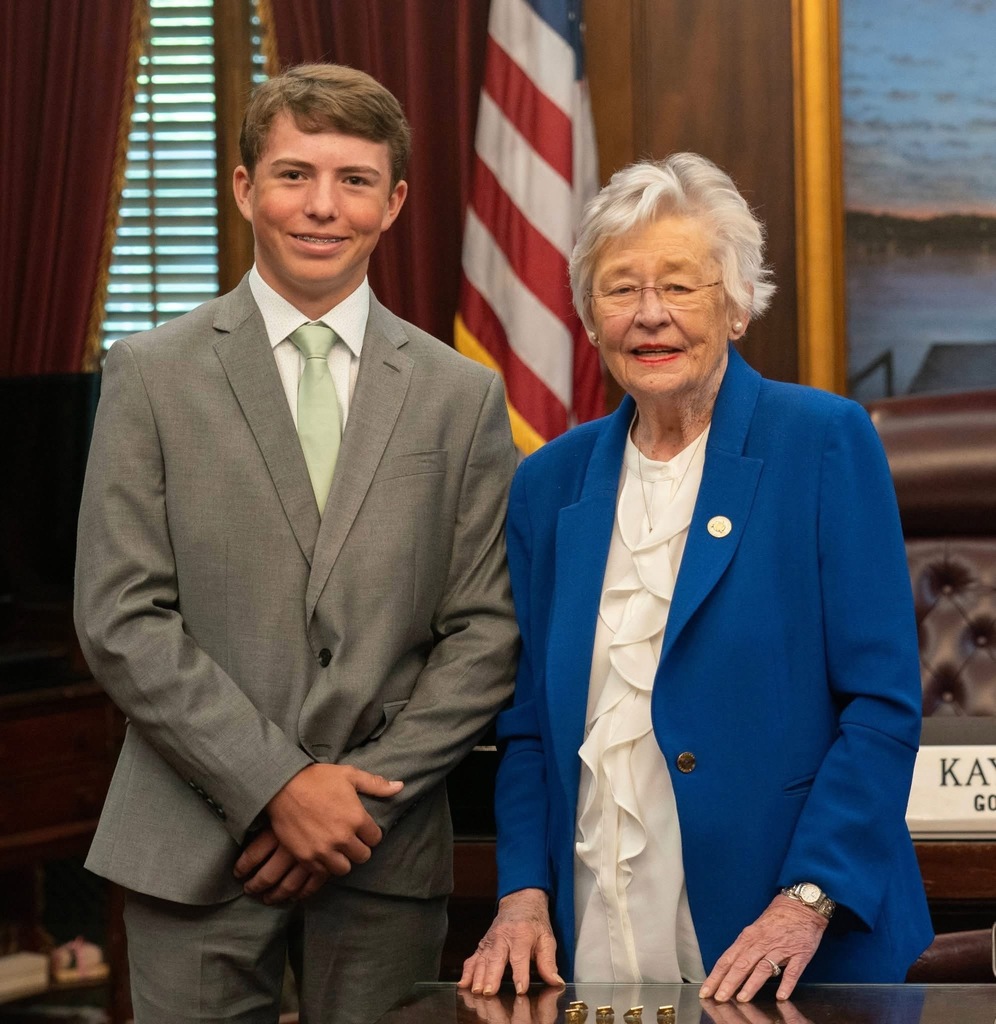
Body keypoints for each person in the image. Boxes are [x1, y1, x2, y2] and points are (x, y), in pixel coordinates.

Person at [74, 63, 519, 1024]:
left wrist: (353, 806)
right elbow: (120, 616)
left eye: (354, 180)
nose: (323, 206)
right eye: (293, 174)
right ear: (244, 188)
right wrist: (276, 786)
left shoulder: (461, 395)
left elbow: (486, 632)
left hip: (381, 849)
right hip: (191, 844)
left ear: (393, 203)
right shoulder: (148, 374)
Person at [460, 152, 933, 1004]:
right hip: (597, 924)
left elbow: (882, 705)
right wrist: (522, 892)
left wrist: (806, 900)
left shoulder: (823, 441)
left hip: (790, 934)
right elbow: (528, 726)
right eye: (621, 289)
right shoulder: (548, 484)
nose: (651, 315)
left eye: (680, 286)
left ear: (738, 304)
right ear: (590, 317)